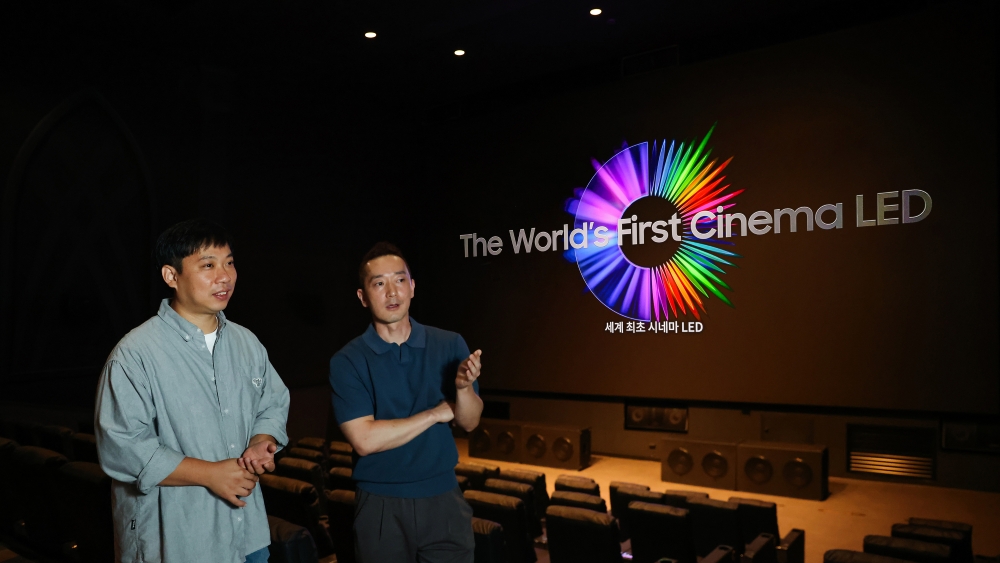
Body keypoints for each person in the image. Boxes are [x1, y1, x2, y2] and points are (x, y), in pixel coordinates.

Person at [95, 219, 290, 563]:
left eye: (229, 263)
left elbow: (272, 403)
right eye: (208, 265)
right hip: (177, 539)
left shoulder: (246, 342)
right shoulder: (134, 354)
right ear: (171, 276)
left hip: (247, 533)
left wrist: (262, 439)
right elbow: (122, 447)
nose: (225, 276)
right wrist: (210, 474)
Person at [329, 242, 484, 563]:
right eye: (379, 283)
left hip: (444, 498)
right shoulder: (347, 361)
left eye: (400, 280)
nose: (392, 292)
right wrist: (435, 414)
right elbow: (365, 440)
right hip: (380, 506)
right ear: (363, 296)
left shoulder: (450, 343)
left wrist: (464, 388)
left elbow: (470, 422)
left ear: (412, 287)